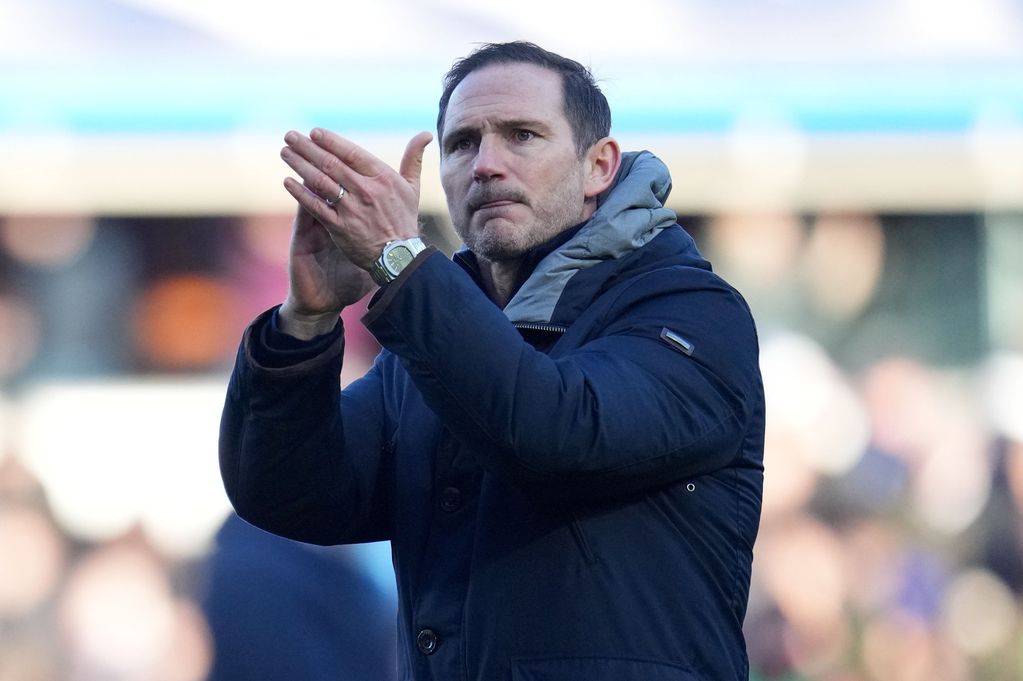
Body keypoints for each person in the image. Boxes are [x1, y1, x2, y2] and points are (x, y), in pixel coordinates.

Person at [220, 41, 765, 681]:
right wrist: (306, 323)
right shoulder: (430, 336)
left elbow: (559, 434)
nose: (485, 165)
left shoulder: (689, 310)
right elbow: (291, 495)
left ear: (599, 167)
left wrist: (401, 265)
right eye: (461, 144)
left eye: (522, 135)